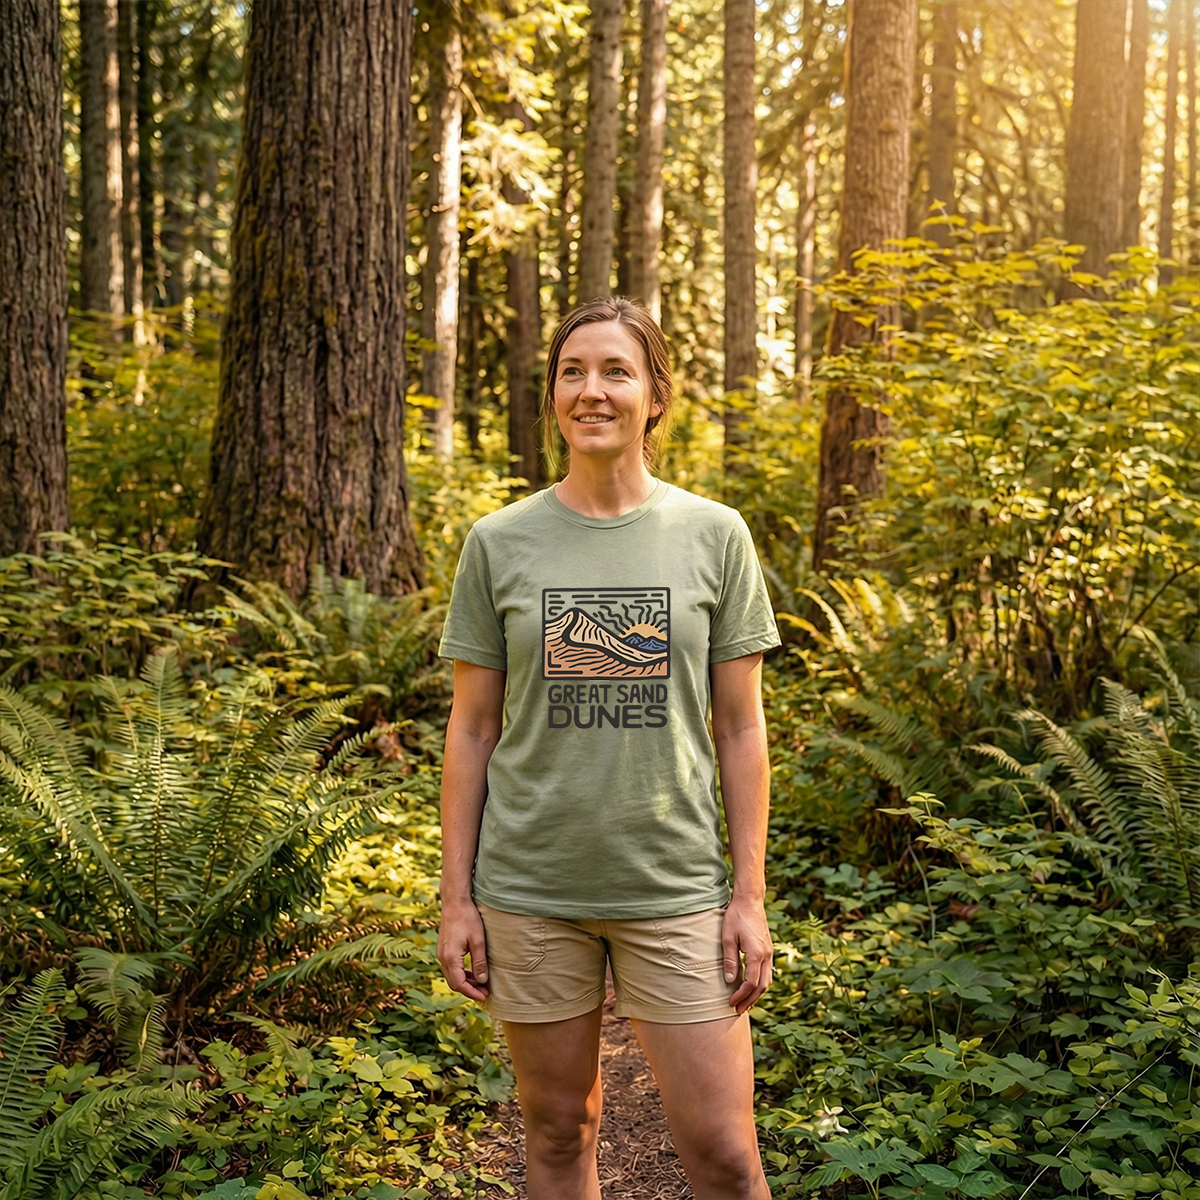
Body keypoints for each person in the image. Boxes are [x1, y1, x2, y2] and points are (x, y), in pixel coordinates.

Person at [436, 297, 779, 1200]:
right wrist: (456, 899)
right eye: (572, 372)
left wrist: (748, 897)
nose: (592, 390)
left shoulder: (715, 535)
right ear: (553, 395)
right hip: (531, 890)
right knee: (559, 1132)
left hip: (674, 887)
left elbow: (740, 727)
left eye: (616, 371)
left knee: (725, 1155)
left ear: (655, 396)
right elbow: (472, 729)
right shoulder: (499, 542)